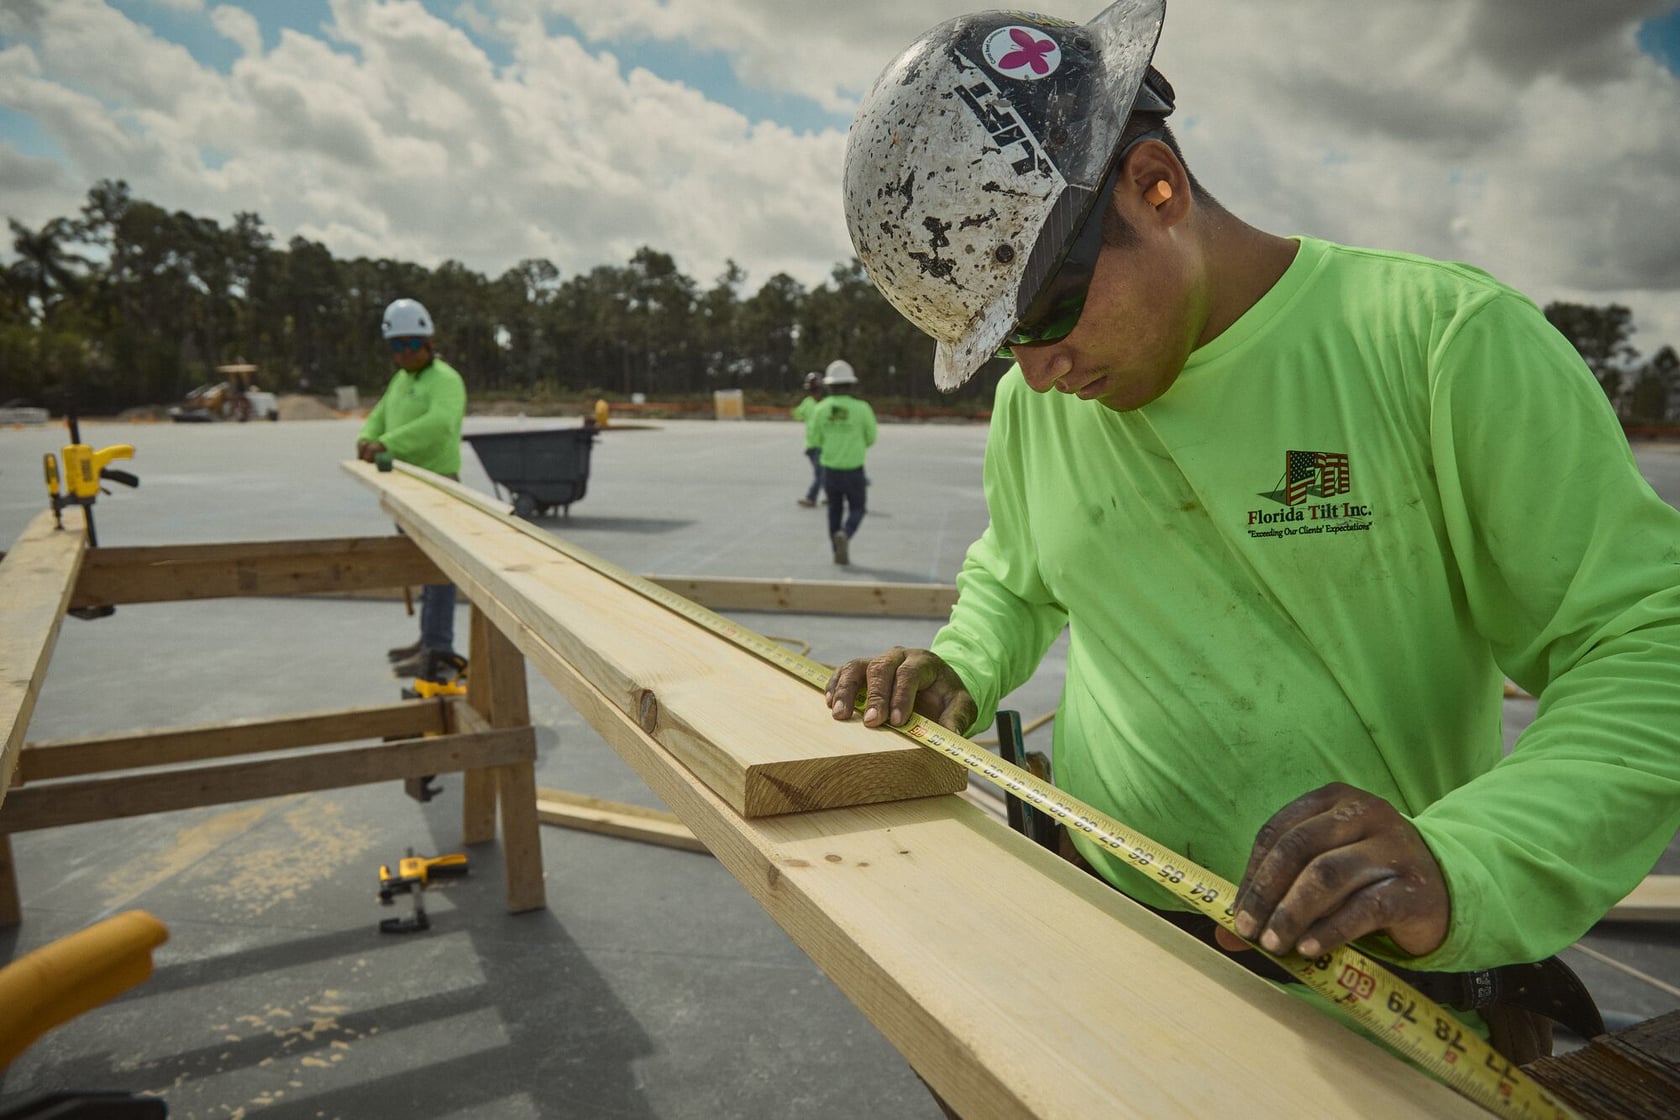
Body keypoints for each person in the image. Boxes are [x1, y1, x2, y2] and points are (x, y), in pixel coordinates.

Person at [825, 0, 1680, 1069]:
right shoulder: (1043, 405)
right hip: (1104, 940)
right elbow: (1019, 569)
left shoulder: (1438, 347)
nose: (1037, 371)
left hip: (1372, 1015)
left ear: (1156, 187)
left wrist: (1464, 862)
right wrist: (961, 661)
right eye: (1003, 346)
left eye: (1045, 312)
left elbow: (1644, 647)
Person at [356, 297, 468, 678]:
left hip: (437, 487)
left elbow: (439, 424)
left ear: (428, 342)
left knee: (439, 572)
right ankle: (428, 641)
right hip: (405, 488)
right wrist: (366, 437)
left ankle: (439, 648)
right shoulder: (400, 382)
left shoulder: (446, 380)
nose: (404, 354)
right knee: (424, 569)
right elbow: (378, 416)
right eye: (396, 346)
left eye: (411, 344)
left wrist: (388, 444)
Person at [813, 359, 877, 565]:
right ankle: (846, 534)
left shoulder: (820, 409)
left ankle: (836, 549)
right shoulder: (862, 408)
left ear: (829, 386)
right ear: (851, 385)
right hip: (854, 470)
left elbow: (816, 439)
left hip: (830, 470)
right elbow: (871, 437)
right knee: (858, 508)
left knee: (834, 509)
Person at [792, 371, 827, 507]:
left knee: (820, 473)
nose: (814, 393)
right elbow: (797, 415)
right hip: (812, 445)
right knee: (821, 473)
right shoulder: (808, 402)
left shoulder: (826, 404)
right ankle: (831, 496)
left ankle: (811, 497)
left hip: (824, 445)